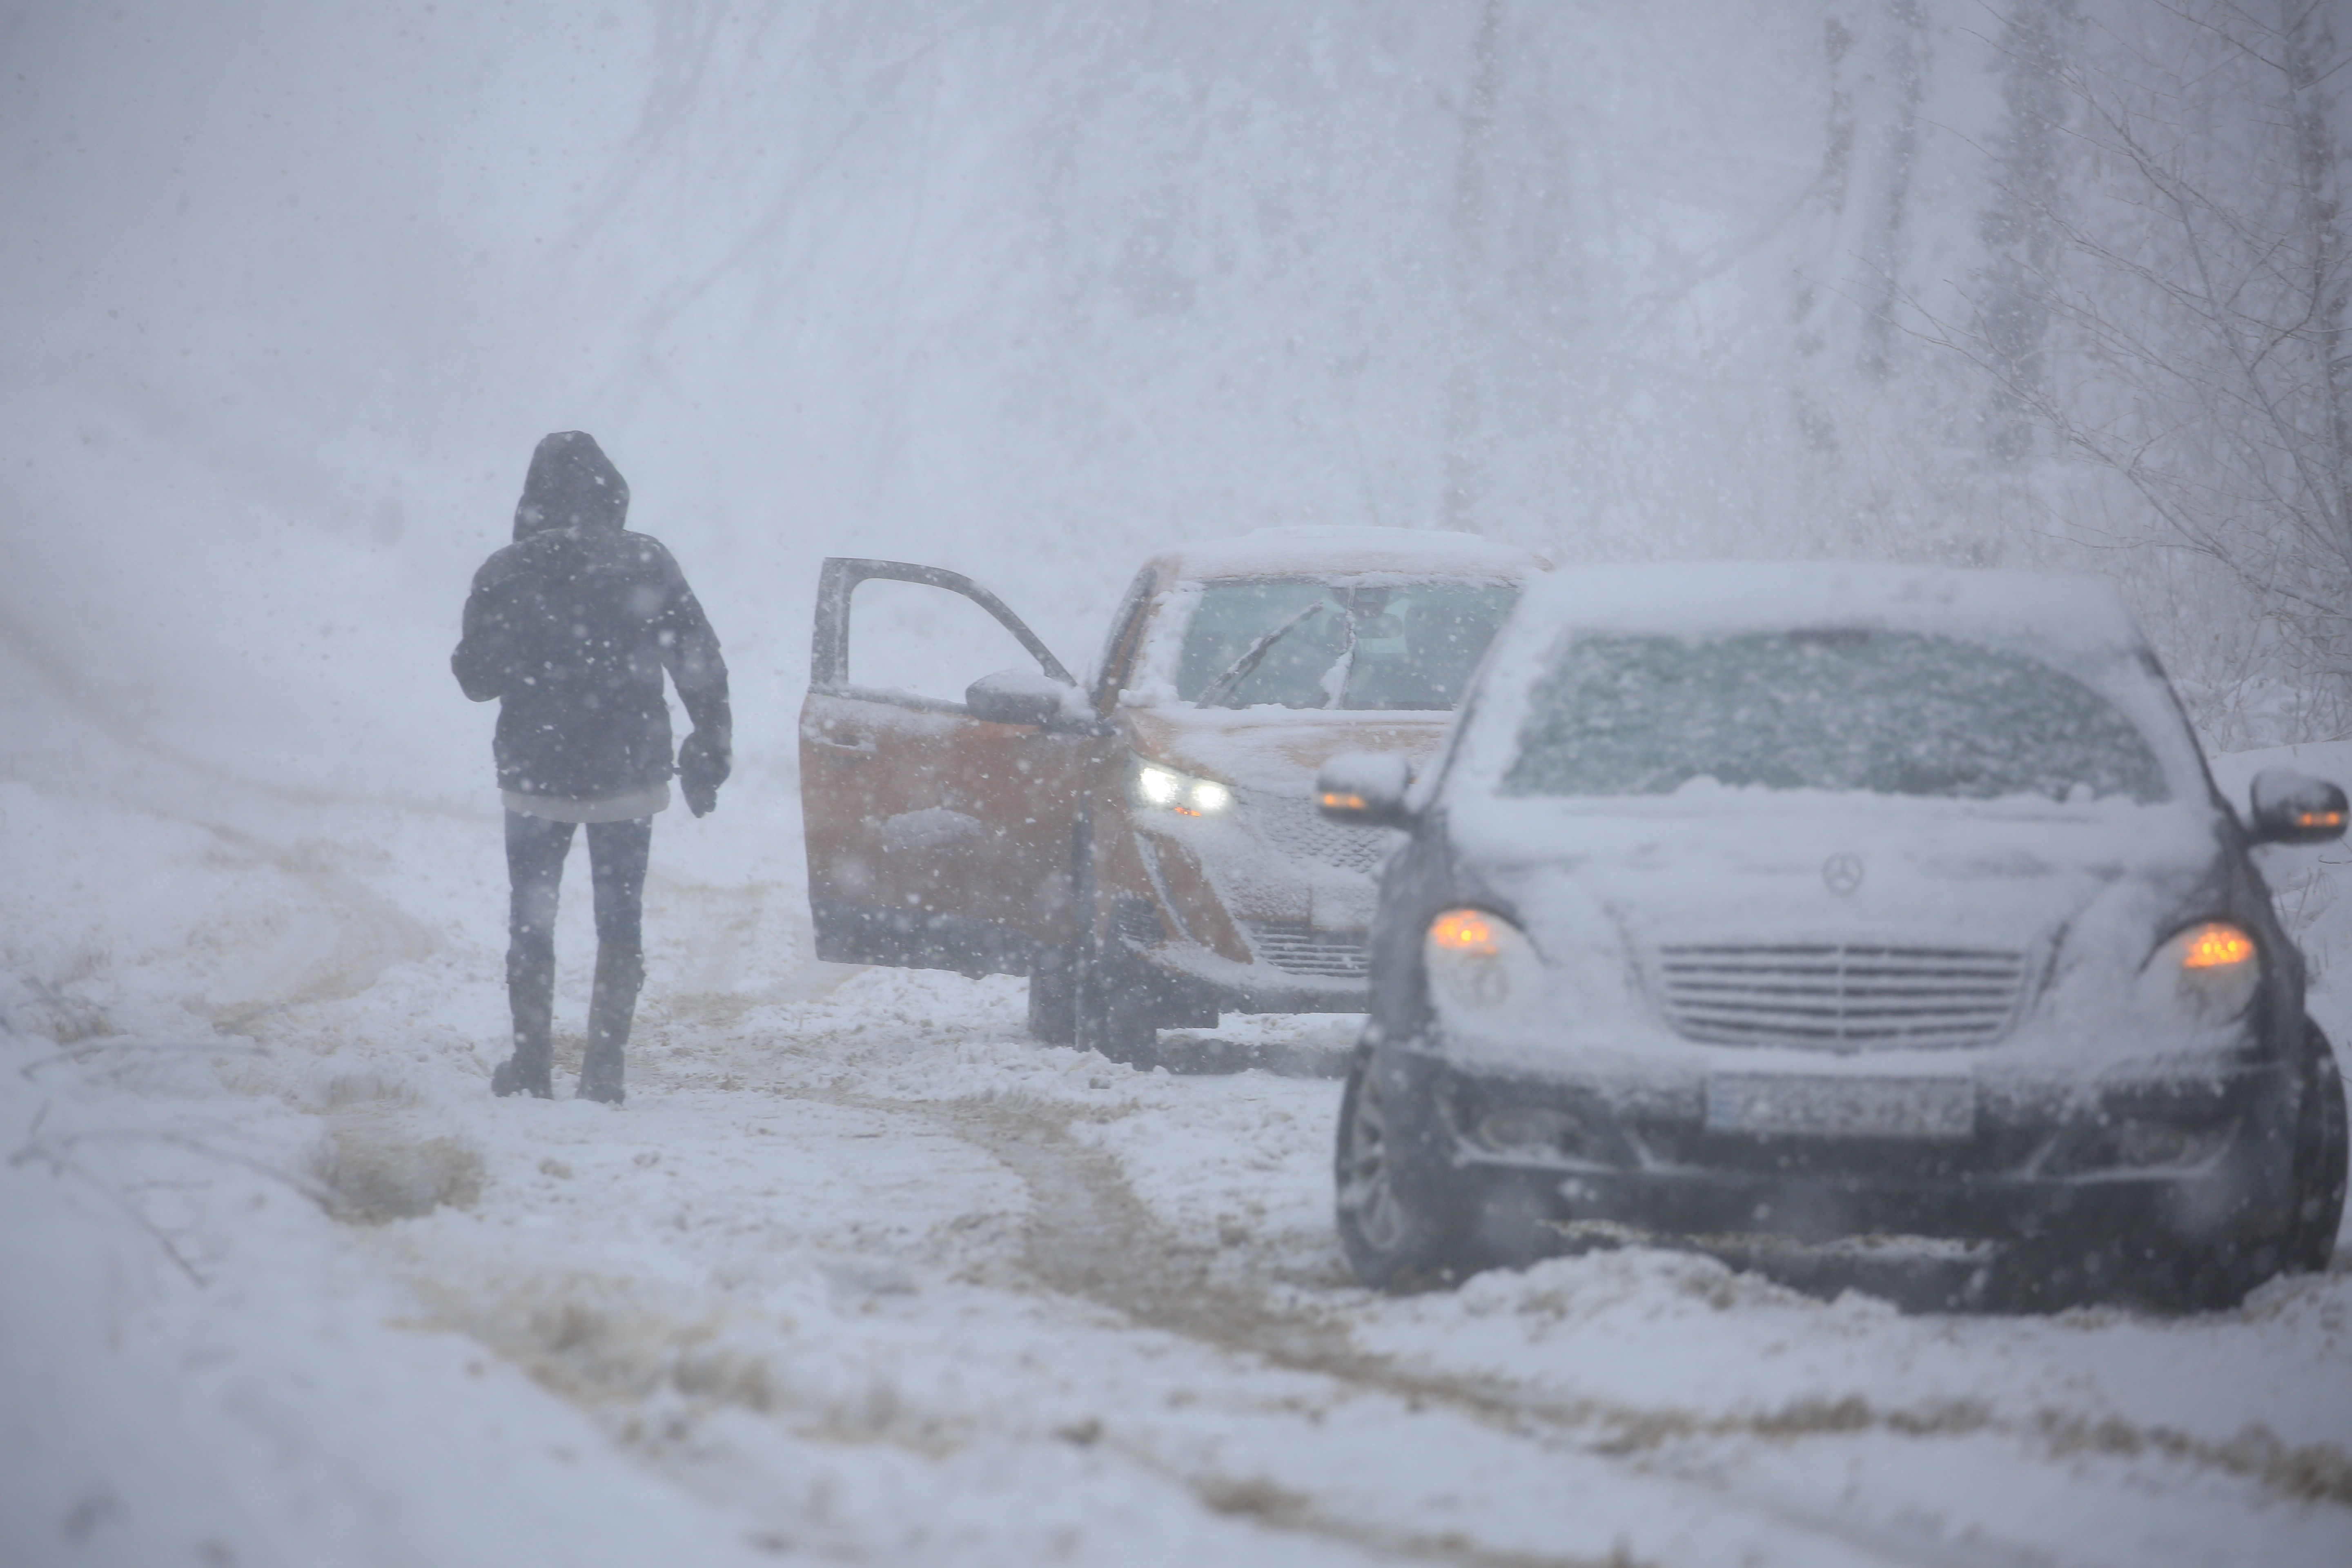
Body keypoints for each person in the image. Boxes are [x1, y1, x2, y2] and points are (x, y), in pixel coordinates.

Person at [452, 432, 730, 1103]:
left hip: (536, 775)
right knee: (621, 917)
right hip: (625, 776)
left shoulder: (506, 569)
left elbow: (475, 680)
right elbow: (699, 661)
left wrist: (520, 632)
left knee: (532, 919)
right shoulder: (646, 561)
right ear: (613, 494)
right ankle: (605, 1071)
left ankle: (532, 1066)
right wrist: (710, 746)